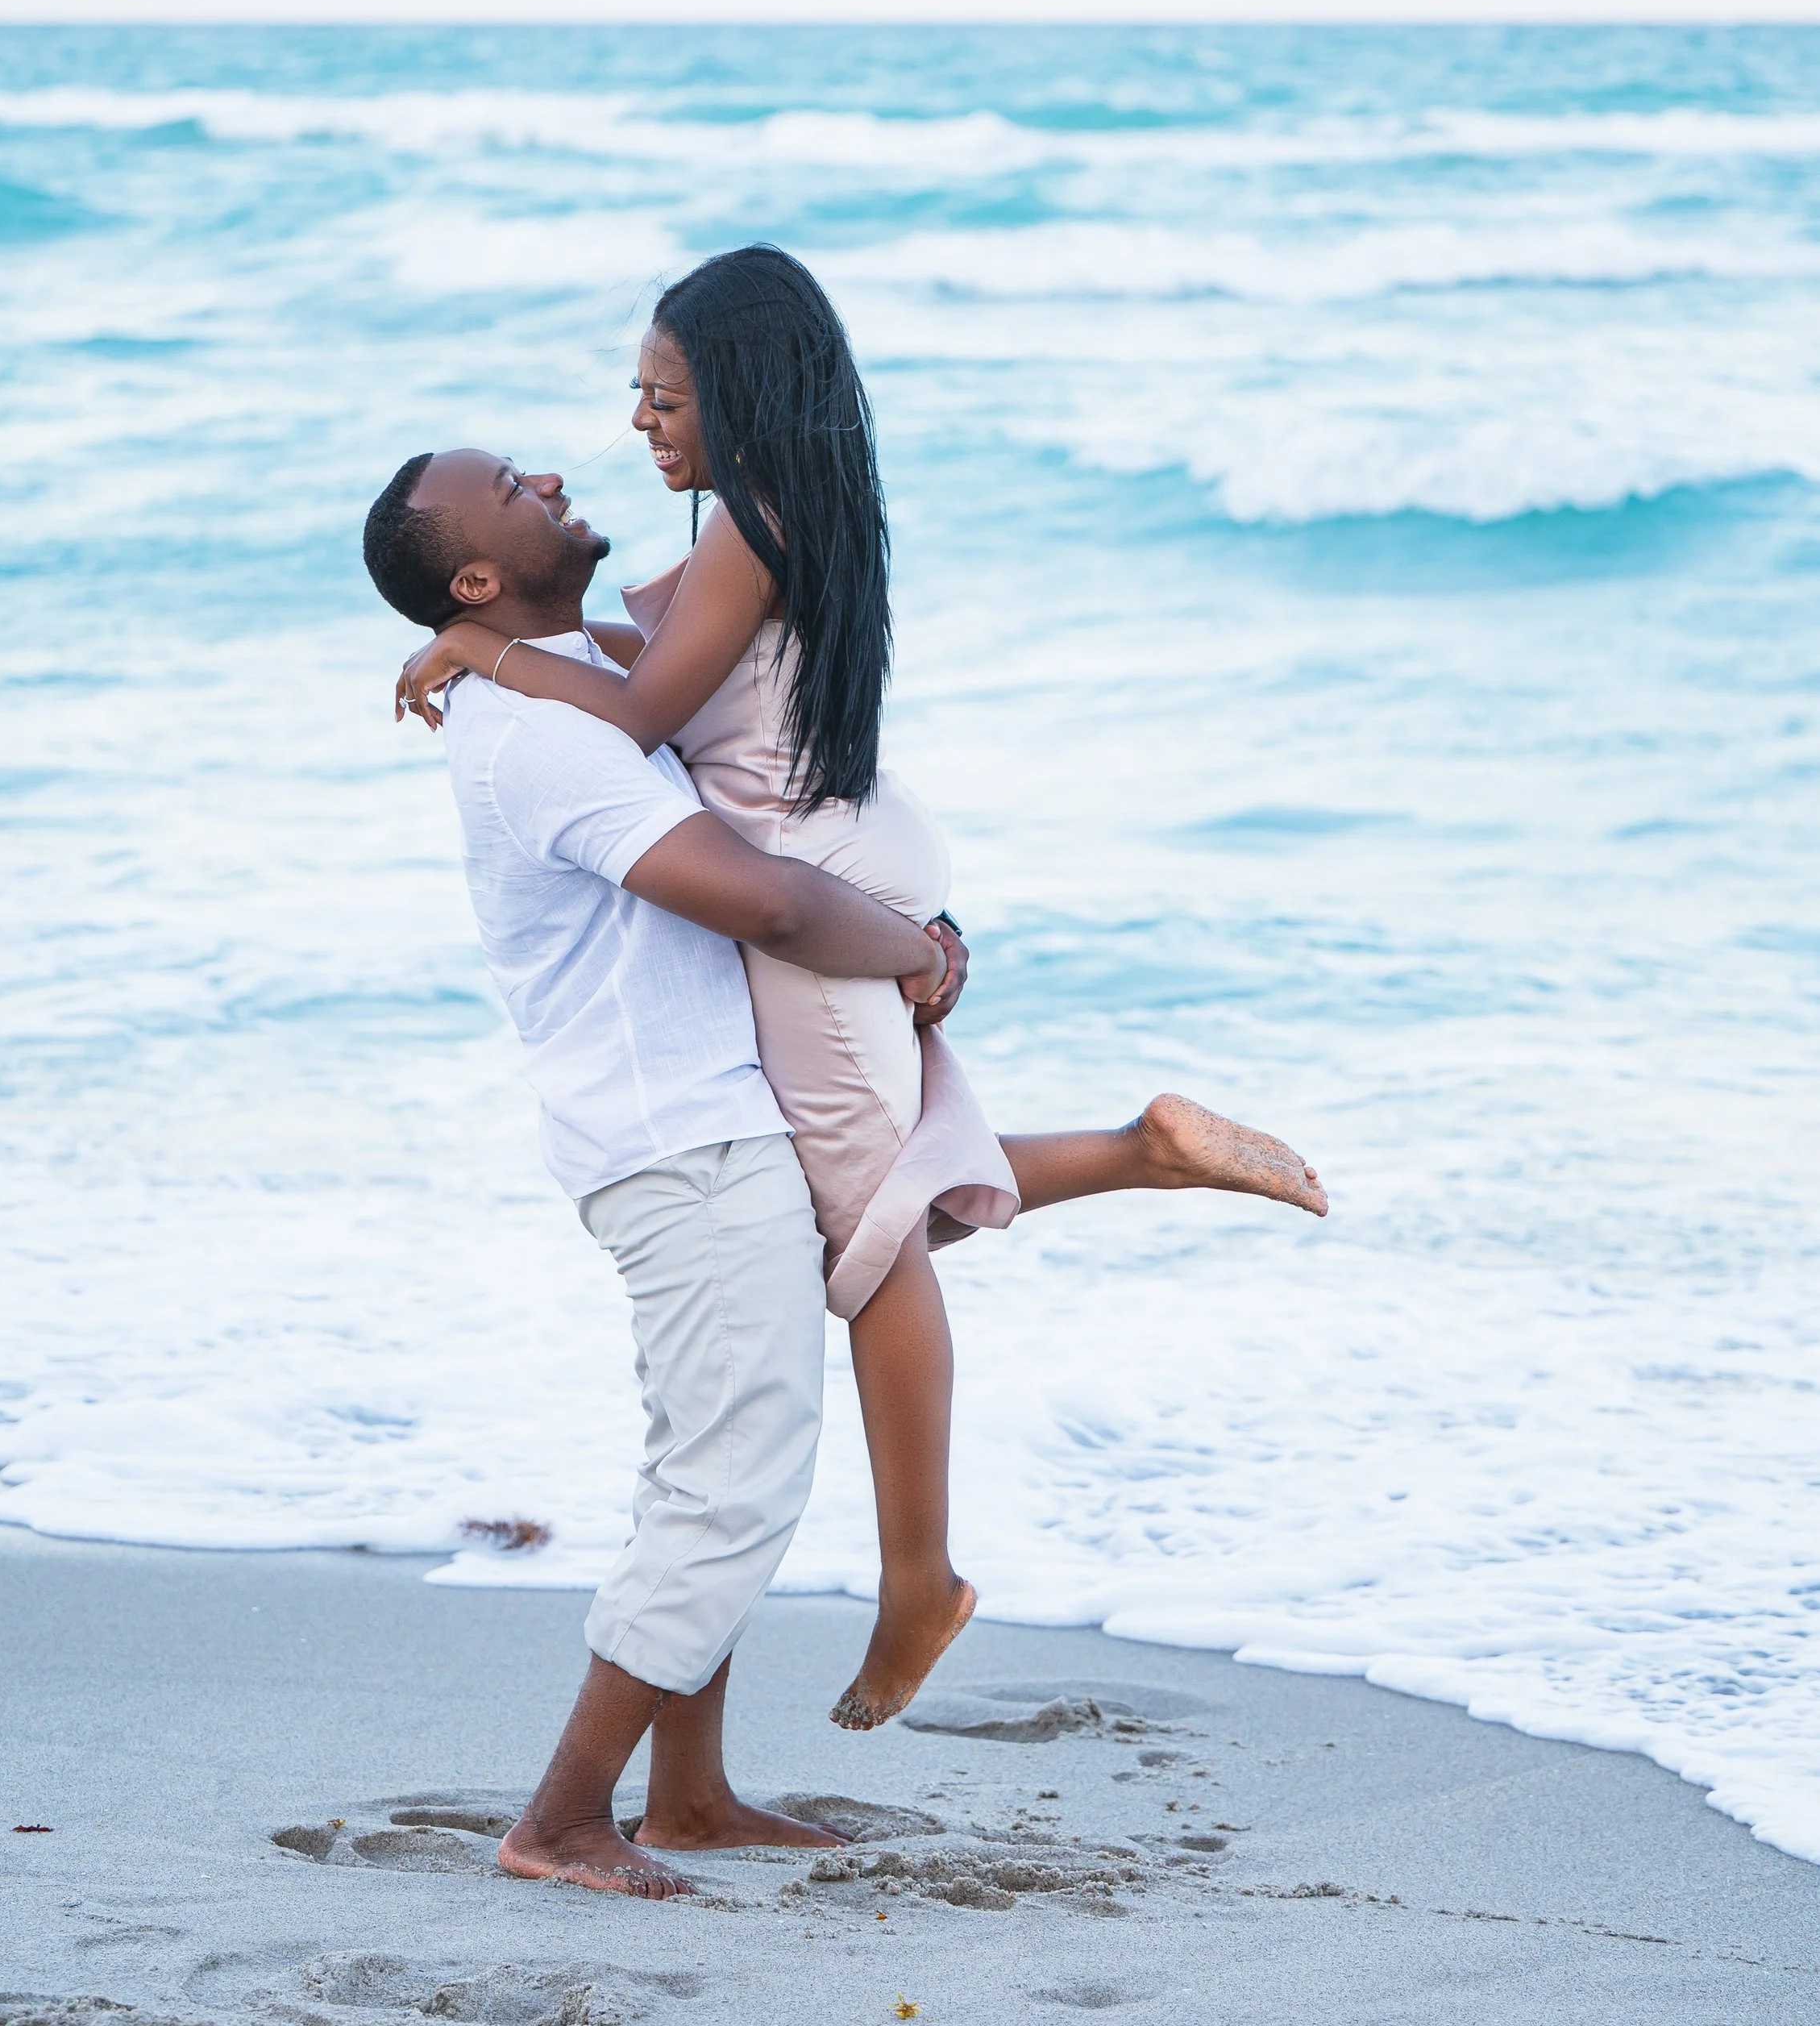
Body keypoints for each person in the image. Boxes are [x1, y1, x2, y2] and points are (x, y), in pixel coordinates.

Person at [393, 246, 1328, 1739]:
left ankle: (919, 1577)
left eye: (665, 396)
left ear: (743, 392)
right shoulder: (776, 519)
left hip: (815, 885)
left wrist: (486, 653)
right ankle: (1146, 1151)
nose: (637, 424)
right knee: (884, 1177)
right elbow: (659, 671)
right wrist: (520, 650)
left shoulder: (746, 531)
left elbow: (635, 709)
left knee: (875, 1233)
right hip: (846, 852)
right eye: (637, 395)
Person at [362, 444, 968, 1899]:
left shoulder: (568, 682)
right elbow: (754, 896)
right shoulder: (535, 734)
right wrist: (918, 950)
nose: (555, 473)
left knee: (709, 1458)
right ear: (477, 575)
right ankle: (564, 1820)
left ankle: (688, 1798)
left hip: (692, 1120)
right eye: (513, 485)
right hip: (674, 1139)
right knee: (733, 1473)